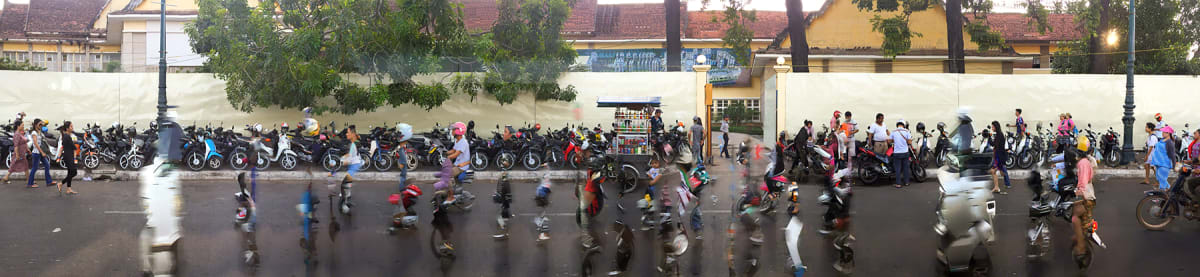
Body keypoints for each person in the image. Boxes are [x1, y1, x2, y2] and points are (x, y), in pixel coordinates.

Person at [1069, 136, 1097, 262]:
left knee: (1075, 218)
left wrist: (1076, 193)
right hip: (1089, 196)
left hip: (1087, 198)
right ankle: (1079, 235)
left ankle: (1081, 247)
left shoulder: (1082, 163)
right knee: (1076, 213)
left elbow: (1083, 182)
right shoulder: (1087, 161)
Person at [445, 122, 471, 202]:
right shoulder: (457, 141)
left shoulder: (463, 142)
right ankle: (456, 191)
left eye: (453, 130)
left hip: (462, 167)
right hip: (457, 164)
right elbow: (453, 150)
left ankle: (451, 196)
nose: (451, 131)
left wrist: (448, 157)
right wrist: (445, 152)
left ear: (458, 131)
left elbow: (456, 154)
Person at [27, 119, 56, 189]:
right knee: (34, 168)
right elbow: (36, 144)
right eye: (39, 124)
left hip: (40, 152)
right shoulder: (34, 133)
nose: (41, 126)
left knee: (47, 165)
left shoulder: (39, 132)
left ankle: (49, 181)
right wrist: (42, 152)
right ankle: (30, 183)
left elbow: (43, 141)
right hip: (37, 153)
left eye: (41, 125)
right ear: (35, 125)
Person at [1149, 126, 1175, 191]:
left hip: (1164, 164)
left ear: (1168, 133)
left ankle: (1160, 197)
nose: (1162, 133)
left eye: (1164, 132)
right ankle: (1171, 193)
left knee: (1162, 183)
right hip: (1158, 163)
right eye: (1162, 132)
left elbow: (1172, 155)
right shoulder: (1162, 140)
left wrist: (1174, 166)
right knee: (1160, 179)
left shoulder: (1169, 142)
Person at [889, 120, 912, 188]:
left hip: (897, 153)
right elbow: (910, 142)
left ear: (897, 125)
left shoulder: (893, 132)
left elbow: (889, 141)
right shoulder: (907, 131)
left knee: (898, 169)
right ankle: (906, 182)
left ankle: (898, 183)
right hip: (905, 152)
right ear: (904, 125)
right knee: (906, 168)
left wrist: (895, 141)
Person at [990, 121, 1011, 194]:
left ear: (996, 127)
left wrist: (998, 161)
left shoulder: (999, 135)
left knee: (994, 171)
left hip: (999, 156)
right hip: (999, 156)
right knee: (1001, 170)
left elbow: (996, 146)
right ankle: (1005, 184)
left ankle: (997, 187)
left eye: (992, 126)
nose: (992, 128)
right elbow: (993, 144)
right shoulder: (998, 135)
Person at [57, 121, 78, 194]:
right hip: (68, 157)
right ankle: (61, 183)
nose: (72, 127)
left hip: (69, 156)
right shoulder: (67, 136)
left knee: (70, 173)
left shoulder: (66, 136)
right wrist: (58, 157)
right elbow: (71, 147)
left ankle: (69, 189)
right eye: (71, 126)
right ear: (67, 128)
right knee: (74, 172)